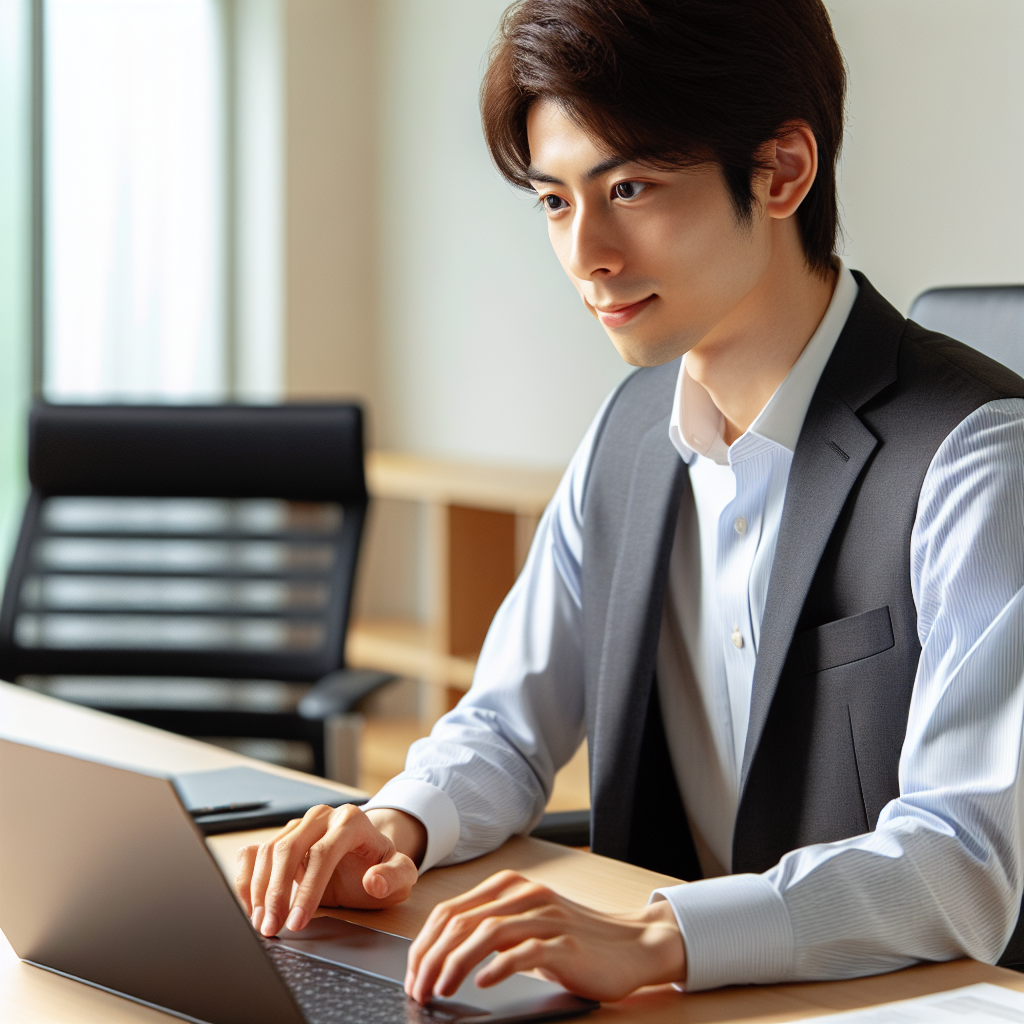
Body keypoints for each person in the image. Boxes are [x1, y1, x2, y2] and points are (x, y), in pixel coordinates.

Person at [235, 0, 1024, 1004]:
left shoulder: (977, 454)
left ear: (782, 171)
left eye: (631, 187)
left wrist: (655, 938)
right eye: (556, 201)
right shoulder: (627, 431)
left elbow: (959, 863)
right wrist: (399, 827)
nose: (586, 255)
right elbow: (509, 726)